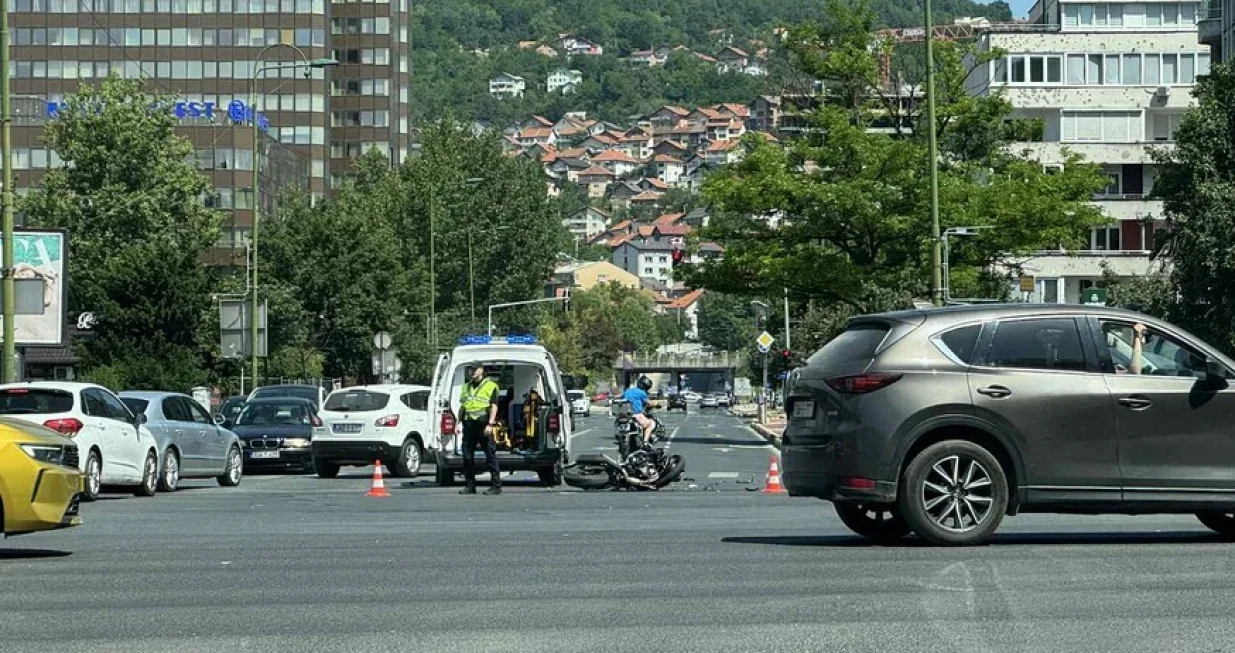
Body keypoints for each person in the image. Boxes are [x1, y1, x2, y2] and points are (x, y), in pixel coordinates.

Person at [457, 365, 501, 495]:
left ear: (481, 371)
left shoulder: (491, 386)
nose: (471, 373)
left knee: (490, 455)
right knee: (467, 456)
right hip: (469, 424)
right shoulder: (466, 387)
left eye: (474, 370)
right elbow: (463, 406)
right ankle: (470, 485)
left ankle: (496, 486)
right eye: (470, 370)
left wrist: (491, 424)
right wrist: (457, 423)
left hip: (483, 424)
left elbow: (494, 406)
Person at [621, 376, 655, 446]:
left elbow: (622, 396)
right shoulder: (642, 393)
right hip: (636, 415)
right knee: (651, 424)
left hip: (625, 415)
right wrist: (656, 404)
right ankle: (645, 442)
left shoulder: (628, 390)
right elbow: (648, 403)